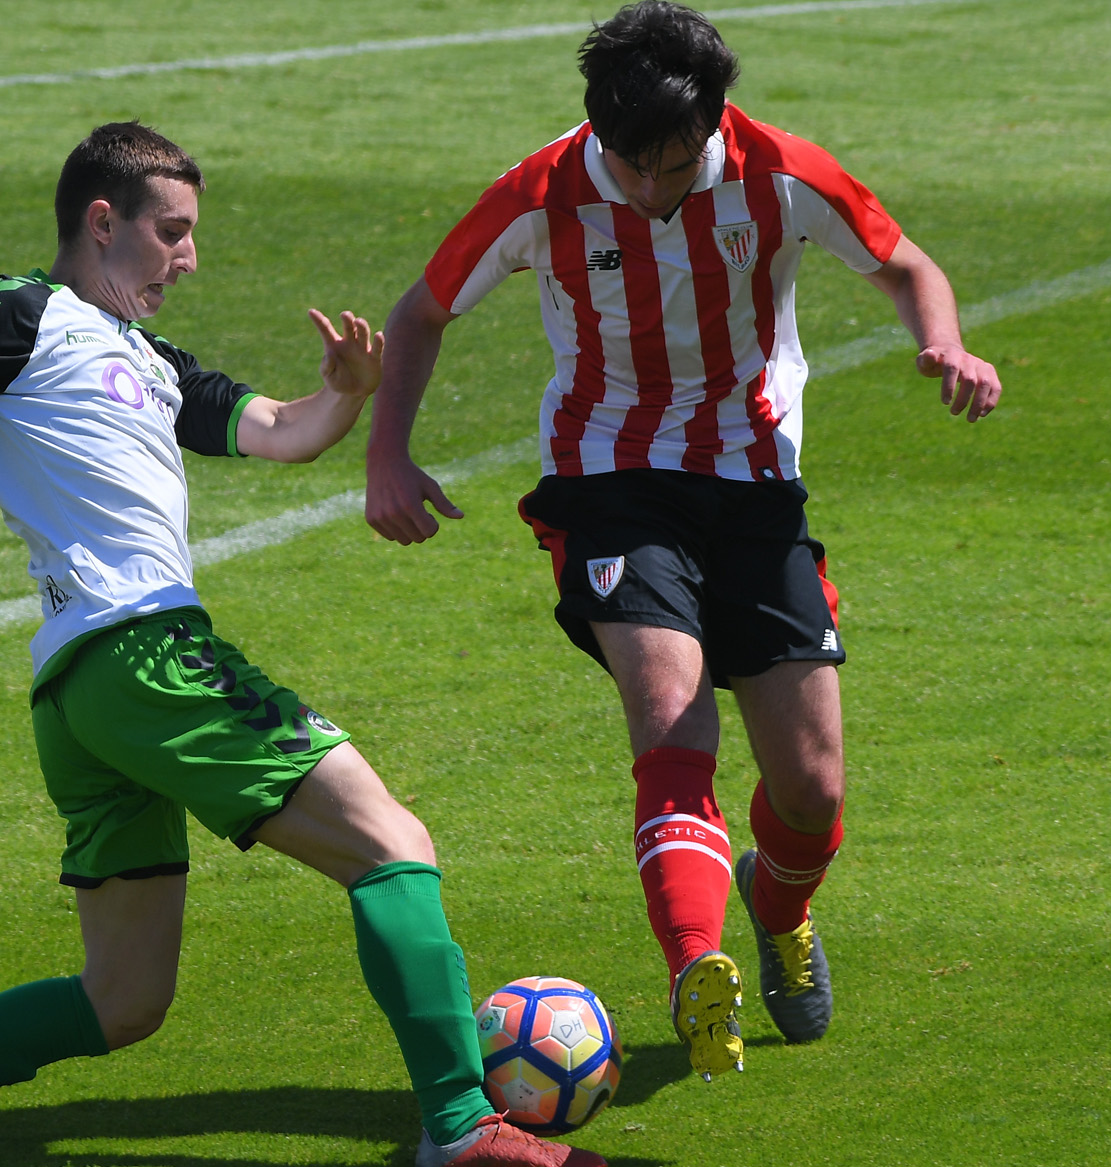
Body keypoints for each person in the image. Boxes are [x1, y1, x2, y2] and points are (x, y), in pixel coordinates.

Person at [0, 122, 604, 1167]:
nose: (189, 257)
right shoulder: (20, 314)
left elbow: (279, 431)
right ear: (102, 220)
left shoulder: (152, 362)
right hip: (143, 653)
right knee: (390, 846)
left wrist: (345, 391)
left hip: (84, 693)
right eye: (171, 232)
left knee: (123, 1001)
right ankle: (457, 1125)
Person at [366, 3, 1001, 1081]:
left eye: (671, 167)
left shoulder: (781, 173)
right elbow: (421, 310)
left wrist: (942, 342)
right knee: (672, 723)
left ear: (711, 124)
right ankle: (694, 966)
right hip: (609, 485)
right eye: (629, 167)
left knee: (811, 790)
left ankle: (775, 904)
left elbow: (904, 265)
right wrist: (389, 454)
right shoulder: (542, 192)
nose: (650, 192)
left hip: (754, 487)